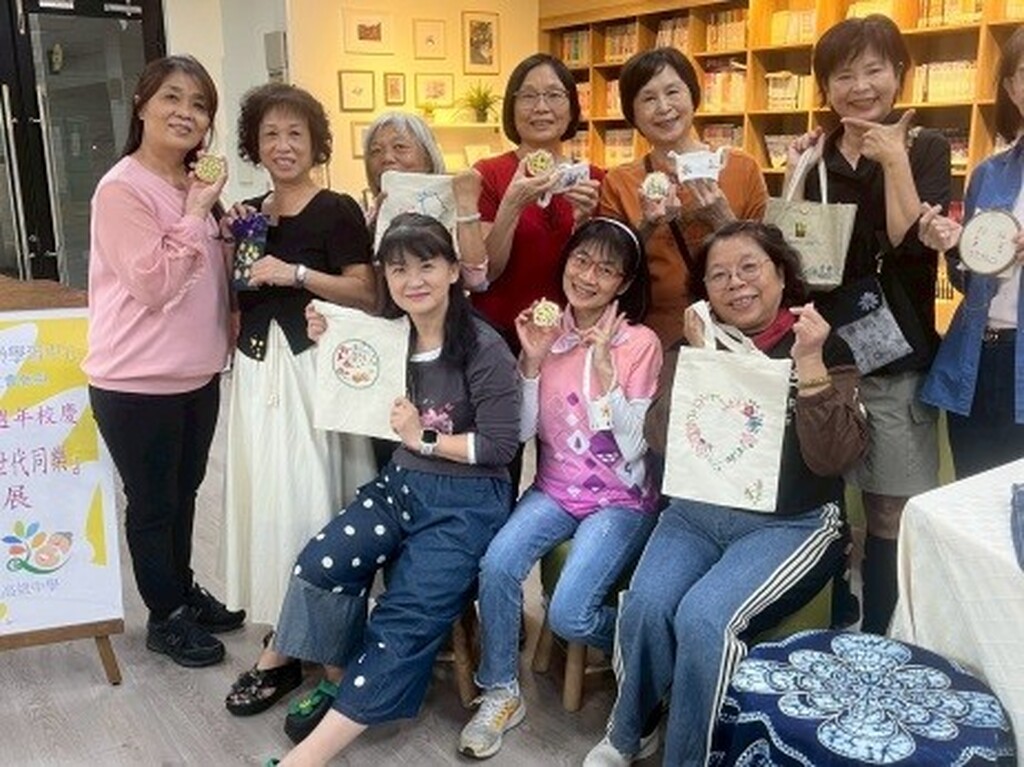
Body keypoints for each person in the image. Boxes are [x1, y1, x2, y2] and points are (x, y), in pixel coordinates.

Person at [583, 221, 867, 767]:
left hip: (791, 522)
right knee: (644, 606)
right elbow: (658, 439)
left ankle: (689, 757)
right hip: (695, 514)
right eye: (719, 275)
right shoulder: (690, 344)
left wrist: (809, 364)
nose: (735, 282)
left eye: (749, 267)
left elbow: (834, 458)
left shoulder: (822, 343)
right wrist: (701, 362)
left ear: (781, 274)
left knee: (703, 618)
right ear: (705, 291)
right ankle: (630, 729)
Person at [253, 213, 520, 764]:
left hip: (467, 504)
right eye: (398, 269)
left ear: (453, 270)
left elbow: (500, 447)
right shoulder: (389, 335)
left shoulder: (484, 347)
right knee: (319, 565)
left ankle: (308, 758)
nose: (413, 280)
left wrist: (424, 437)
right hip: (400, 486)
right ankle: (341, 682)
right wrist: (330, 337)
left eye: (427, 265)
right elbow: (356, 379)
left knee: (404, 619)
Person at [459, 218, 661, 759]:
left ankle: (658, 648)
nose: (588, 276)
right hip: (554, 490)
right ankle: (501, 690)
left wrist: (605, 371)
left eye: (606, 269)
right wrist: (530, 361)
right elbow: (523, 433)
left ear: (624, 283)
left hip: (620, 500)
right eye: (581, 261)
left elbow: (634, 446)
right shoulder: (548, 331)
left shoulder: (639, 343)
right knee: (497, 565)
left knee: (571, 613)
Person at [783, 14, 951, 634]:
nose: (860, 87)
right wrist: (796, 171)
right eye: (843, 75)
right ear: (825, 88)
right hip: (823, 354)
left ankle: (880, 637)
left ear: (899, 73)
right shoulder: (815, 155)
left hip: (896, 358)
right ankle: (831, 616)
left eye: (874, 70)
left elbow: (911, 240)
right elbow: (791, 249)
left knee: (888, 510)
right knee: (818, 501)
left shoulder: (926, 146)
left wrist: (895, 161)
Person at [221, 83, 379, 714]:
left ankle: (310, 641)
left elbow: (367, 292)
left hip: (311, 372)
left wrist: (297, 274)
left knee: (309, 499)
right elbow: (240, 292)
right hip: (256, 372)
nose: (283, 145)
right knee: (266, 499)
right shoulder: (249, 213)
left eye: (295, 134)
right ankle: (285, 632)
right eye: (270, 134)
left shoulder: (336, 209)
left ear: (316, 143)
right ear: (253, 145)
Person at [83, 55, 241, 668]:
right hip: (135, 379)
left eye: (199, 104)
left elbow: (213, 275)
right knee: (153, 503)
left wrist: (224, 220)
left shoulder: (195, 183)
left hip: (196, 372)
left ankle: (181, 590)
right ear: (142, 104)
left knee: (186, 492)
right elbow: (153, 284)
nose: (186, 113)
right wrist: (197, 211)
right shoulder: (122, 189)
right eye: (172, 98)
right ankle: (165, 616)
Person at [597, 47, 768, 351]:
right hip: (653, 339)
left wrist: (722, 220)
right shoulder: (620, 182)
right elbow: (609, 269)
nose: (664, 107)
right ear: (632, 113)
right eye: (648, 98)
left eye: (673, 92)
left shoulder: (742, 168)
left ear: (693, 96)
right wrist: (647, 225)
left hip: (740, 335)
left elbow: (769, 262)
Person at [918, 28, 1024, 478]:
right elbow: (970, 280)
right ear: (1011, 88)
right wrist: (954, 247)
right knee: (972, 489)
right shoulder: (988, 173)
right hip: (977, 356)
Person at [468, 52, 603, 353]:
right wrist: (511, 206)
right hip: (499, 337)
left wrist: (584, 222)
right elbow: (486, 274)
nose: (541, 107)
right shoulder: (487, 174)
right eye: (528, 96)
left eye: (554, 95)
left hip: (573, 338)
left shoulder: (594, 179)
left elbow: (602, 272)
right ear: (512, 107)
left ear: (572, 107)